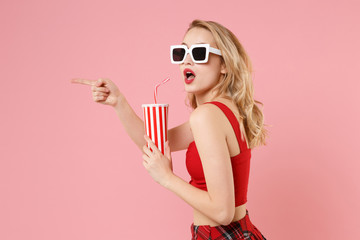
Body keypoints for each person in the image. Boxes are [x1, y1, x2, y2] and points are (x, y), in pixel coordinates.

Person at [71, 19, 268, 240]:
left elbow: (223, 212)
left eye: (199, 53)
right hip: (240, 232)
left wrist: (166, 177)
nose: (187, 61)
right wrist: (119, 102)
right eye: (181, 53)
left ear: (224, 65)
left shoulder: (207, 116)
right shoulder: (225, 110)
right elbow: (155, 142)